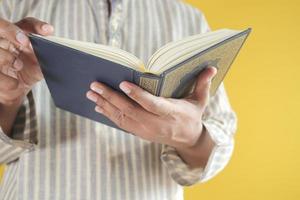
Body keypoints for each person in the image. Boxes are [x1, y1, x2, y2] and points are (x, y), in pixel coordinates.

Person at [0, 0, 237, 199]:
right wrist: (9, 97)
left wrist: (189, 136)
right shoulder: (10, 6)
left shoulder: (188, 20)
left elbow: (220, 143)